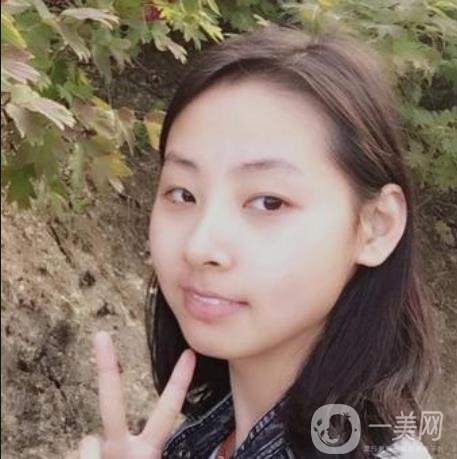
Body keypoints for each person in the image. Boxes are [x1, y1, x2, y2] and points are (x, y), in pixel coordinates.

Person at [65, 23, 440, 459]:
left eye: (268, 202)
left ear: (376, 226)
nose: (199, 247)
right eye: (182, 194)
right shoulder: (200, 440)